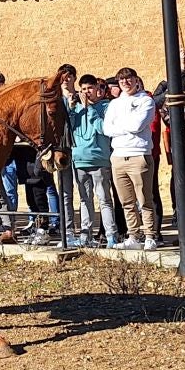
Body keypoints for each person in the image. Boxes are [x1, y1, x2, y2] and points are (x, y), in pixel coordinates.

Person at [103, 67, 158, 250]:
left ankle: (150, 235)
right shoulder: (114, 104)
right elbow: (107, 129)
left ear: (136, 80)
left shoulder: (146, 101)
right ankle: (133, 235)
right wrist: (126, 126)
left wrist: (120, 124)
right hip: (118, 156)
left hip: (139, 154)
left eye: (128, 79)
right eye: (121, 81)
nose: (125, 83)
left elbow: (138, 125)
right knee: (126, 201)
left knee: (145, 200)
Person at [68, 73, 114, 246]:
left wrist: (91, 109)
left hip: (99, 159)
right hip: (79, 160)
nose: (87, 92)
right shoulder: (77, 109)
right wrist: (73, 109)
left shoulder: (105, 107)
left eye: (90, 88)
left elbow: (104, 129)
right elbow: (70, 130)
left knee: (104, 199)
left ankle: (110, 235)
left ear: (97, 89)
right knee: (84, 200)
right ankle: (84, 235)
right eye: (84, 89)